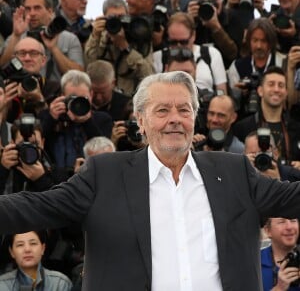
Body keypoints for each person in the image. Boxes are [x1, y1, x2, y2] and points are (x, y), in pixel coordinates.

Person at [2, 71, 300, 290]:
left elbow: (293, 198)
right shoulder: (104, 174)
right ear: (141, 121)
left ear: (195, 118)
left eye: (184, 110)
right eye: (162, 110)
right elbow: (36, 207)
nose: (175, 118)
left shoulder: (234, 171)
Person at [0, 0, 84, 84]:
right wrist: (16, 36)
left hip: (56, 94)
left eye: (37, 8)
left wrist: (54, 49)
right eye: (28, 9)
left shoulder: (69, 39)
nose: (32, 13)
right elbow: (2, 65)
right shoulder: (17, 35)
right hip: (21, 92)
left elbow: (79, 76)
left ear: (50, 11)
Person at [38, 69, 113, 169]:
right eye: (73, 99)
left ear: (91, 95)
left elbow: (104, 152)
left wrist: (87, 121)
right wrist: (51, 118)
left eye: (83, 99)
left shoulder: (102, 119)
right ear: (62, 96)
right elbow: (37, 143)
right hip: (56, 177)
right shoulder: (50, 116)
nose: (78, 104)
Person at [84, 0, 154, 96]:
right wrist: (95, 36)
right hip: (103, 97)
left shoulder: (139, 38)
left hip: (129, 99)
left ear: (128, 16)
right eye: (112, 18)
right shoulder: (98, 37)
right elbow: (89, 66)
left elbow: (149, 75)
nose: (117, 22)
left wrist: (126, 48)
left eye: (121, 17)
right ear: (104, 18)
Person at [153, 12, 227, 94]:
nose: (179, 46)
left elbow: (222, 93)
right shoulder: (158, 58)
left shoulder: (211, 54)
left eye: (183, 42)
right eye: (173, 42)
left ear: (193, 36)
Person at [233, 66, 293, 164]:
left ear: (286, 93)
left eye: (281, 85)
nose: (276, 89)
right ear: (260, 91)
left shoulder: (296, 128)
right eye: (271, 84)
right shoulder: (242, 127)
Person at [0, 230, 73, 290]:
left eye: (33, 243)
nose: (27, 249)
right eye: (20, 245)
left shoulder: (60, 283)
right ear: (11, 252)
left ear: (43, 248)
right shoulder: (2, 285)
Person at [261, 218, 300, 291]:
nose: (289, 227)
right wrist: (279, 288)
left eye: (293, 221)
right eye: (281, 222)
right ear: (268, 230)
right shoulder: (255, 263)